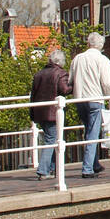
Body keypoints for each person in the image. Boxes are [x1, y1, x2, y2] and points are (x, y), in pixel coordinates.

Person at [68, 32, 110, 178]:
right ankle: (87, 168)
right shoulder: (103, 60)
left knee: (88, 131)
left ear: (88, 44)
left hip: (79, 100)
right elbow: (108, 84)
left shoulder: (77, 59)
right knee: (93, 134)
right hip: (95, 100)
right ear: (101, 46)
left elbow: (70, 80)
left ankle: (94, 163)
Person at [30, 49, 70, 180]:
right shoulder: (60, 73)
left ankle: (52, 168)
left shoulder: (39, 74)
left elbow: (33, 95)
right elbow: (64, 89)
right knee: (51, 140)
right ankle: (43, 170)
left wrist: (32, 114)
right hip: (53, 112)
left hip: (40, 111)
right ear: (60, 61)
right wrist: (74, 86)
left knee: (50, 138)